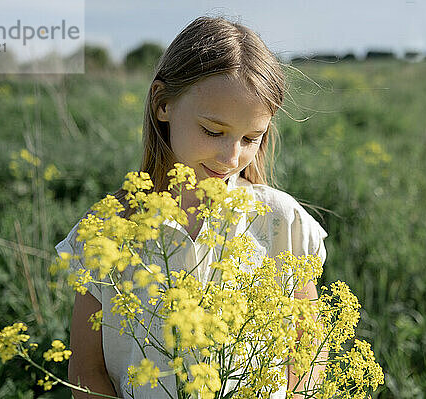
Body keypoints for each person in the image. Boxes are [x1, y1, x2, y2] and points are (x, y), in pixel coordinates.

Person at [55, 16, 327, 399]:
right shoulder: (106, 231)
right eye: (213, 131)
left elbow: (306, 350)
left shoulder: (281, 222)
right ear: (162, 103)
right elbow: (86, 371)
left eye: (251, 137)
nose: (232, 157)